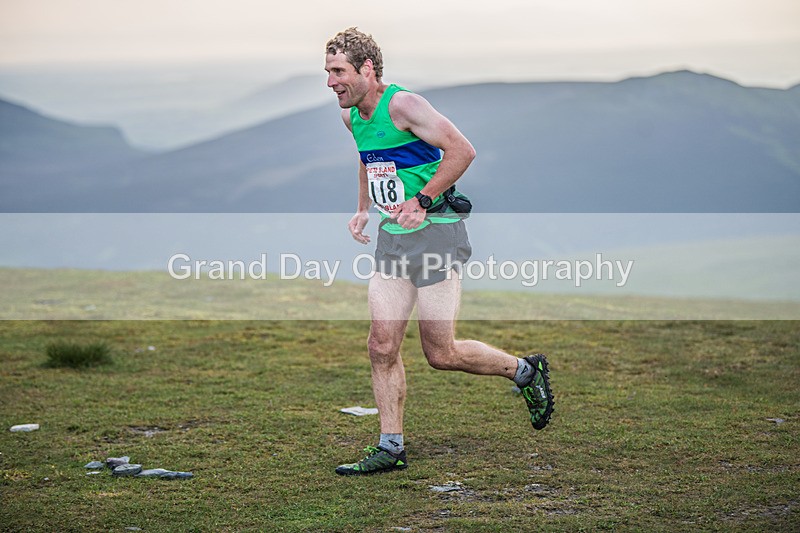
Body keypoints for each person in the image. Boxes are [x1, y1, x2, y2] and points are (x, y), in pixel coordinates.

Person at [324, 27, 554, 476]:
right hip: (393, 238)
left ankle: (525, 371)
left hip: (437, 236)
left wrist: (423, 200)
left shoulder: (403, 105)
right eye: (328, 72)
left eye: (338, 72)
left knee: (441, 352)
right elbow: (369, 159)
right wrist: (362, 209)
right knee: (381, 344)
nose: (331, 82)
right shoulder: (353, 117)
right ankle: (391, 446)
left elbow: (462, 151)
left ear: (367, 69)